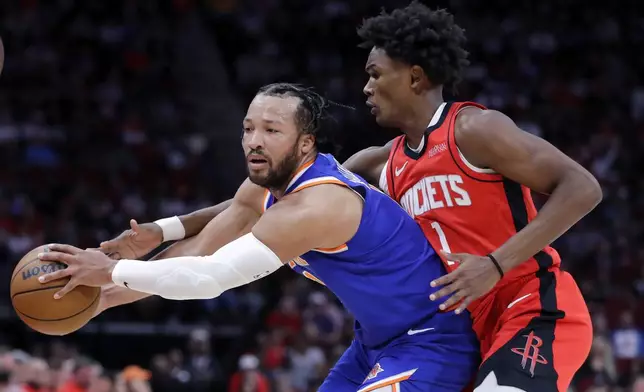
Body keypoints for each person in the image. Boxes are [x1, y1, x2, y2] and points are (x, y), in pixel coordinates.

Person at [99, 3, 602, 391]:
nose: (365, 87)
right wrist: (168, 228)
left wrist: (495, 263)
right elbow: (262, 197)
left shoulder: (473, 129)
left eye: (375, 73)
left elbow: (582, 187)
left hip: (529, 305)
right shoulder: (383, 161)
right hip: (461, 322)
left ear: (416, 77)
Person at [38, 83, 480, 392]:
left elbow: (210, 277)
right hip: (375, 340)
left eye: (271, 130)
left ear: (305, 144)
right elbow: (203, 242)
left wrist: (111, 269)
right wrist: (104, 296)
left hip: (432, 339)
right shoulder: (266, 186)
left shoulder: (317, 204)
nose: (254, 141)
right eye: (249, 127)